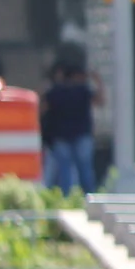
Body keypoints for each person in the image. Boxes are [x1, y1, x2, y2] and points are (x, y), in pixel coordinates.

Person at [41, 55, 96, 193]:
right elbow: (100, 101)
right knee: (85, 170)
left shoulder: (55, 92)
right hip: (81, 134)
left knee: (65, 172)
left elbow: (41, 109)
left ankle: (68, 199)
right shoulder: (82, 91)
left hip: (61, 136)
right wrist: (97, 80)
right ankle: (90, 197)